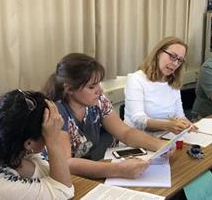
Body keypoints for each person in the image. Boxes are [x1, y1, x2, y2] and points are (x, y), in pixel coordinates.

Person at [43, 53, 173, 179]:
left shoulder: (98, 101)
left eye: (99, 83)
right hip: (55, 177)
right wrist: (118, 170)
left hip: (83, 170)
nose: (100, 90)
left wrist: (159, 145)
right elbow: (66, 163)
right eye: (92, 86)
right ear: (70, 89)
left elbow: (125, 132)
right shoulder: (57, 112)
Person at [0, 90, 74, 200]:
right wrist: (53, 141)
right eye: (46, 135)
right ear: (29, 143)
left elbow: (44, 170)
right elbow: (64, 191)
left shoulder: (3, 144)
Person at [124, 36, 195, 135]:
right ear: (158, 53)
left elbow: (179, 115)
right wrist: (168, 125)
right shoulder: (136, 79)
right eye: (172, 56)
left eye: (179, 60)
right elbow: (138, 119)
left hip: (167, 137)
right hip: (138, 139)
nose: (175, 63)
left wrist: (188, 124)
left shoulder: (173, 82)